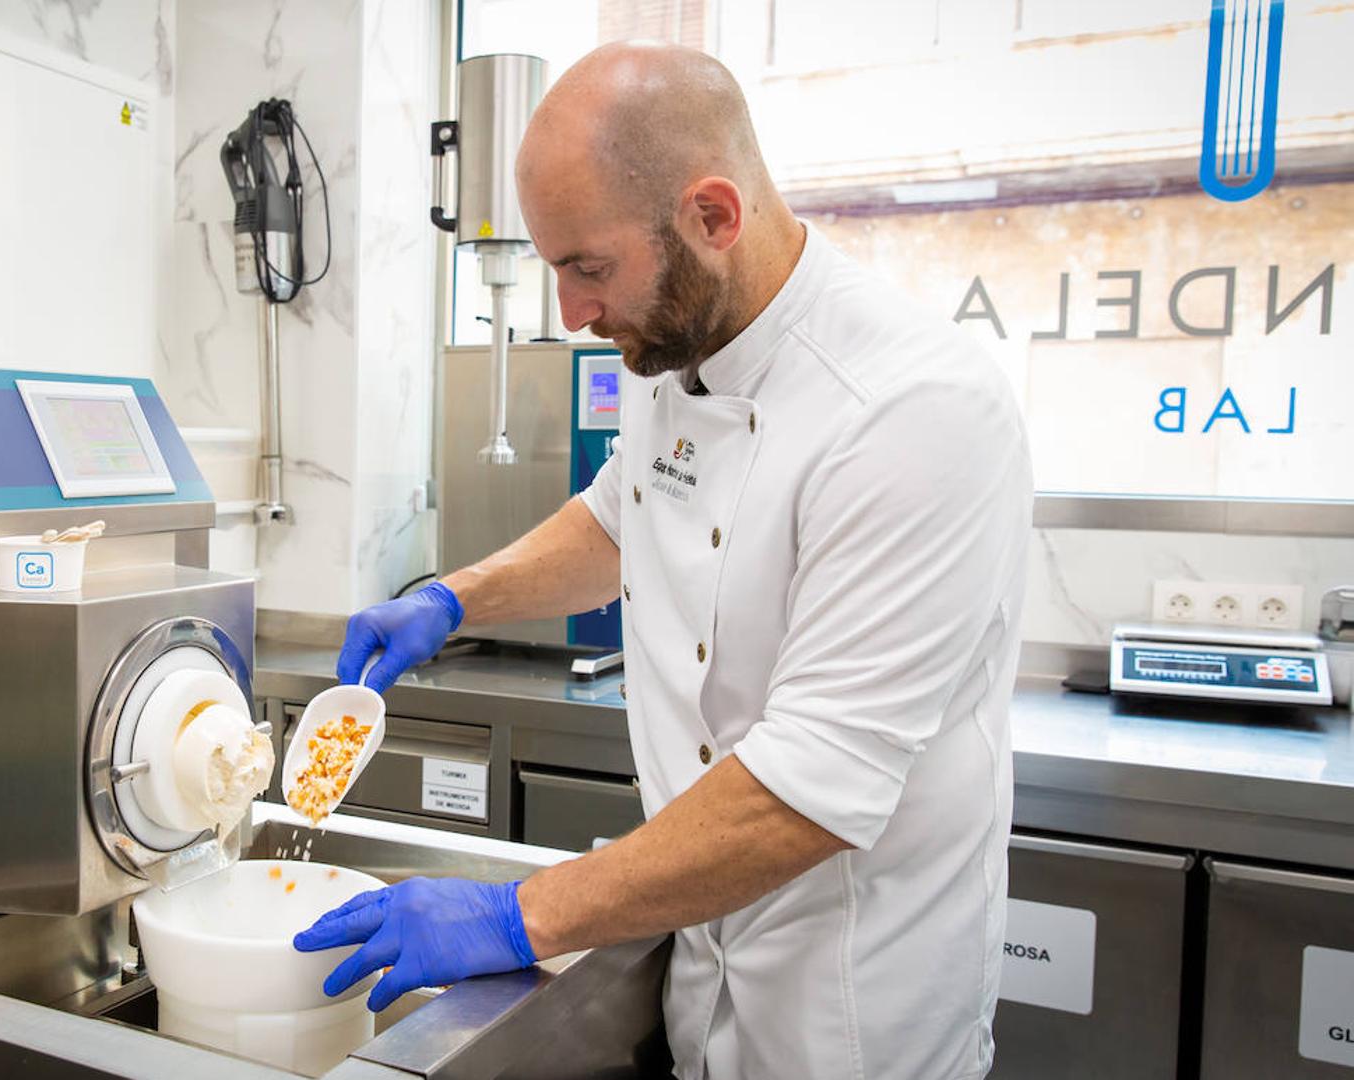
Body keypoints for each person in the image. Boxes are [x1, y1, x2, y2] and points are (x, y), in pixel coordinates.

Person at [293, 41, 1033, 1080]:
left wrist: (519, 917)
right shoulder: (674, 338)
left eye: (587, 268)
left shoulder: (915, 412)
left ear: (713, 217)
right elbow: (619, 519)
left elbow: (804, 792)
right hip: (704, 984)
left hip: (858, 1018)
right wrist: (454, 598)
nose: (572, 315)